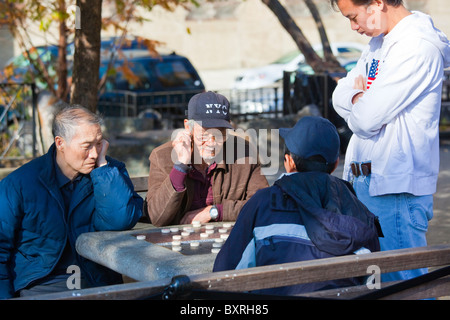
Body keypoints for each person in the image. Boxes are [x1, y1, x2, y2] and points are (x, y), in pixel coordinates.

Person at [330, 0, 450, 282]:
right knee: (377, 284)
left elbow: (366, 120)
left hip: (395, 189)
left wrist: (359, 101)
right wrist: (356, 98)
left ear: (377, 4)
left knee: (402, 285)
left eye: (354, 16)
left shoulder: (417, 46)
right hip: (367, 183)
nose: (353, 27)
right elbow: (339, 94)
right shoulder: (380, 43)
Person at [213, 116, 382, 296]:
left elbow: (224, 273)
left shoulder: (262, 202)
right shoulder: (356, 205)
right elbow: (373, 280)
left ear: (289, 162)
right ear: (334, 165)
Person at [0, 105, 142, 299]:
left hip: (96, 281)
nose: (94, 153)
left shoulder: (109, 172)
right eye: (87, 146)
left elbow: (120, 220)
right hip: (41, 285)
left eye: (99, 143)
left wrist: (102, 168)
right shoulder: (21, 184)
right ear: (60, 143)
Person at [144, 91, 269, 227]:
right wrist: (181, 165)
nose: (212, 142)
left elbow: (264, 205)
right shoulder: (162, 157)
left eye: (219, 133)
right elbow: (157, 217)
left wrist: (214, 212)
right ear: (188, 127)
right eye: (204, 133)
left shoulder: (244, 152)